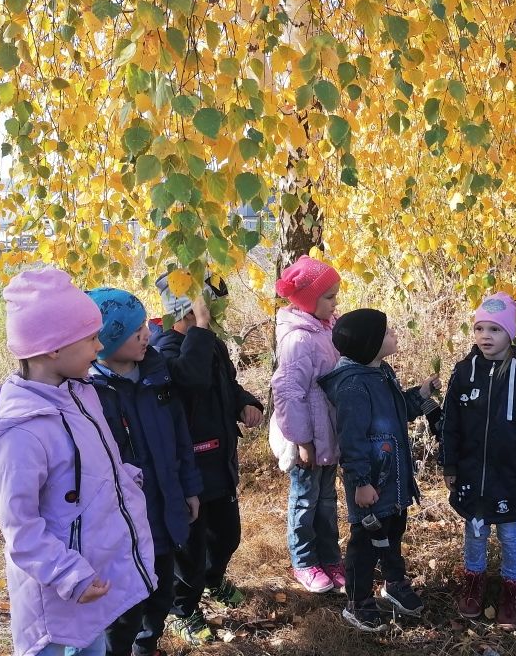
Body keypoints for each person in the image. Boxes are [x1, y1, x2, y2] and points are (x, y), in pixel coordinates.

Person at [0, 268, 156, 656]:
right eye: (90, 338)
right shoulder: (20, 433)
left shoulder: (79, 395)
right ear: (53, 348)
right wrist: (68, 575)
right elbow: (19, 527)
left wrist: (124, 480)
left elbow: (95, 461)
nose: (97, 347)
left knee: (90, 646)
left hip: (84, 586)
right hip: (55, 595)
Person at [85, 288, 204, 656]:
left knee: (161, 590)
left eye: (144, 328)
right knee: (125, 605)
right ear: (107, 338)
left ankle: (147, 644)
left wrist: (189, 487)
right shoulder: (90, 392)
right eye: (135, 332)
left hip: (165, 507)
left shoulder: (156, 373)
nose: (146, 336)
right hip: (123, 523)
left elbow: (180, 436)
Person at [150, 271, 265, 647]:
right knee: (190, 549)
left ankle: (214, 580)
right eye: (207, 303)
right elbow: (191, 379)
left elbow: (225, 385)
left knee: (228, 534)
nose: (215, 312)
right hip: (189, 471)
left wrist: (245, 402)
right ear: (187, 305)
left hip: (220, 463)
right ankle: (183, 608)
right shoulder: (163, 349)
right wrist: (199, 327)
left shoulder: (209, 345)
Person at [318, 309, 442, 632]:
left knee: (393, 534)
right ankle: (357, 603)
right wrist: (360, 483)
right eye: (387, 332)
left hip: (393, 481)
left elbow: (398, 410)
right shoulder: (354, 388)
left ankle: (394, 582)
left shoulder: (380, 372)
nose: (394, 334)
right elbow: (352, 441)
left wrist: (422, 394)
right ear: (369, 344)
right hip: (371, 485)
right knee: (366, 543)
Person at [442, 293, 516, 629]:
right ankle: (474, 580)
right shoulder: (464, 373)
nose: (485, 336)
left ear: (510, 334)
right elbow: (450, 424)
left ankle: (512, 587)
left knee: (510, 533)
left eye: (495, 330)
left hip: (511, 476)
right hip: (473, 474)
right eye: (479, 328)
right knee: (474, 532)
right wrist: (449, 465)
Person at [269, 255, 344, 593]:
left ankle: (329, 556)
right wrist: (302, 441)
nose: (335, 303)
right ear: (309, 300)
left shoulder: (326, 328)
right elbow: (288, 393)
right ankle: (304, 561)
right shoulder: (299, 340)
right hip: (307, 439)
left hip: (327, 434)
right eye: (329, 297)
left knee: (327, 501)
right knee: (304, 501)